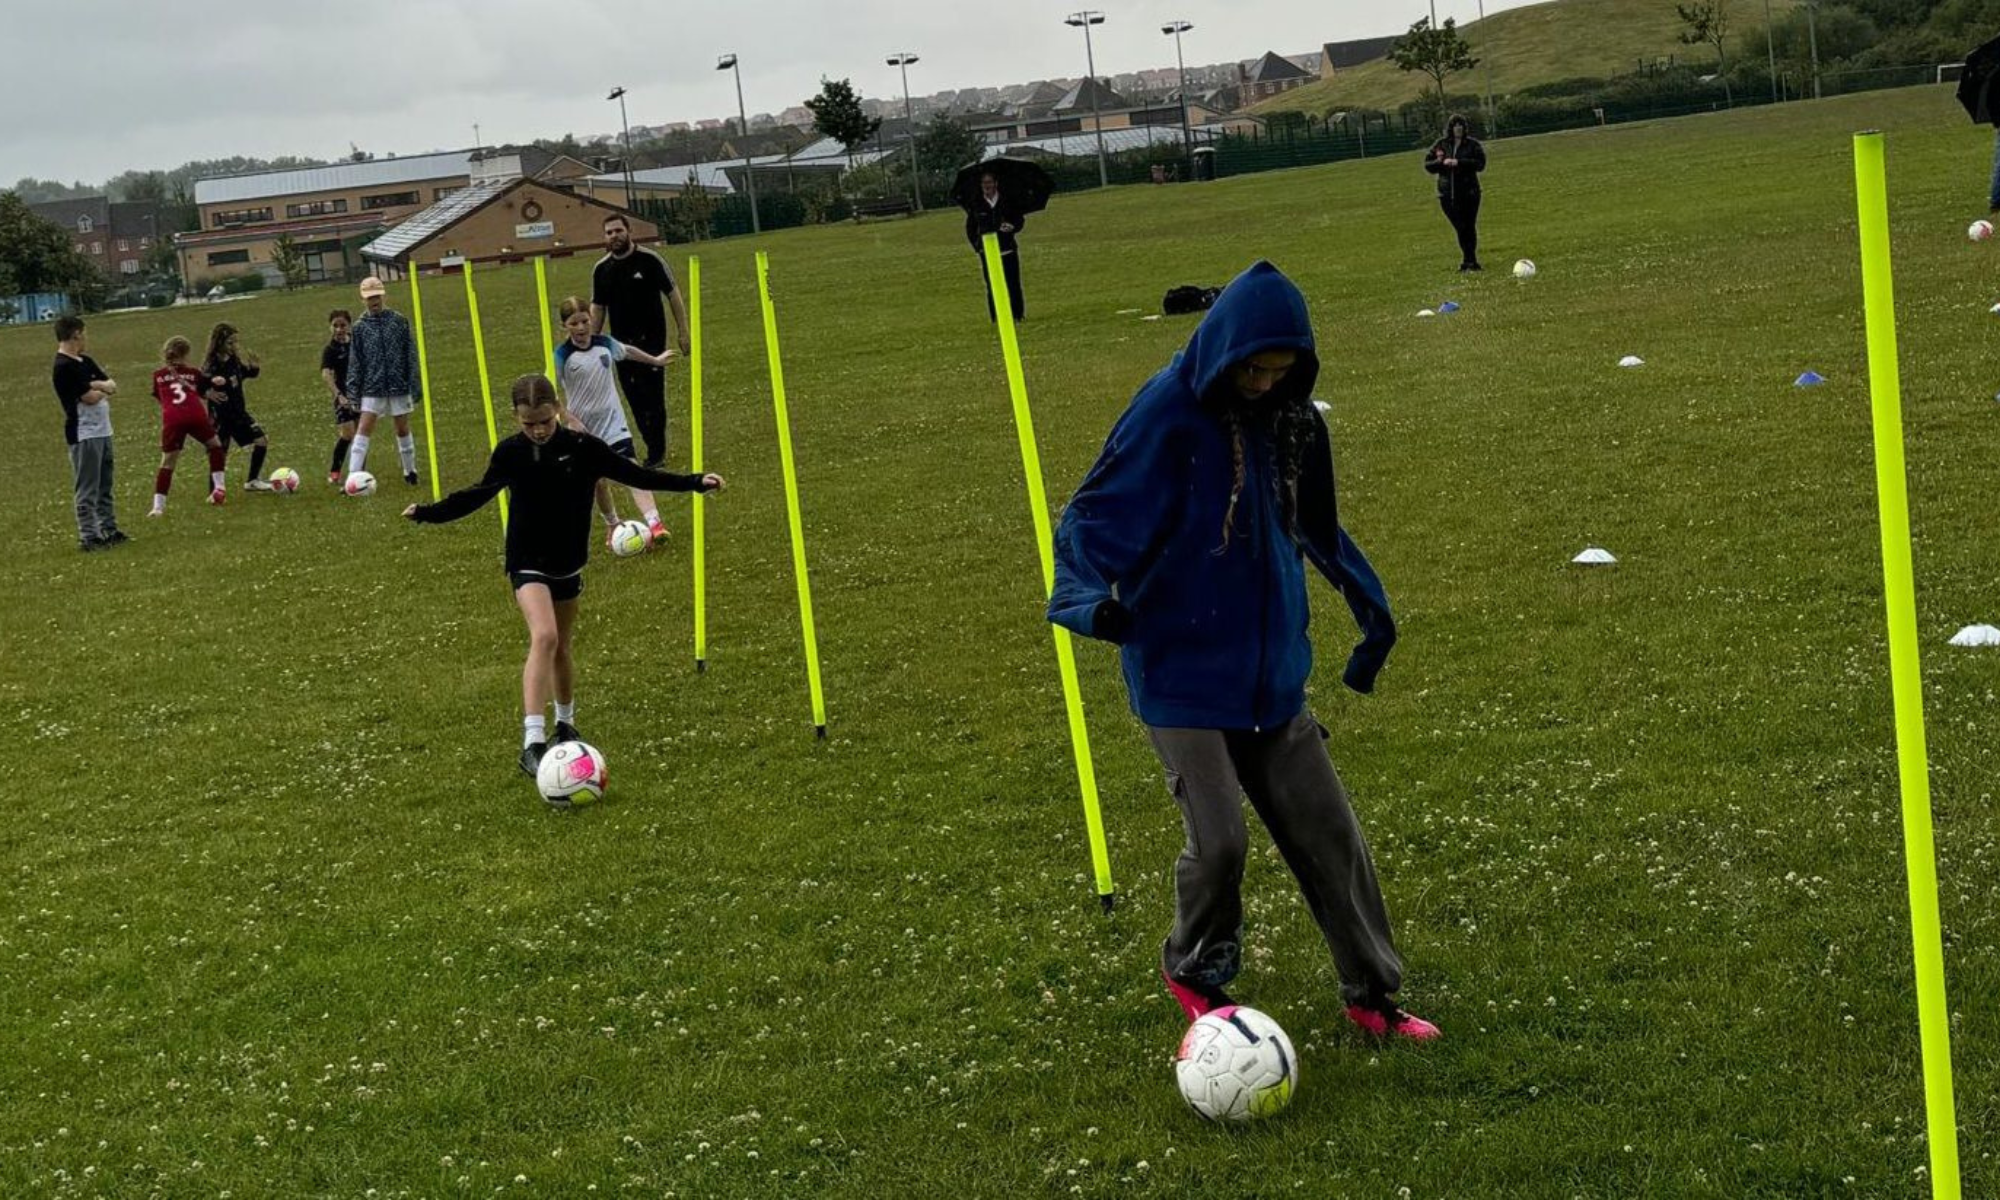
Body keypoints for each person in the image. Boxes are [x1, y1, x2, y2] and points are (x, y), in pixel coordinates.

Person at [1048, 260, 1438, 1041]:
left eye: (1280, 370)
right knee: (1220, 841)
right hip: (1180, 673)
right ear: (1223, 350)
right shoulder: (1167, 412)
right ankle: (1195, 967)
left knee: (1329, 834)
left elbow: (1317, 528)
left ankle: (1371, 994)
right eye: (1252, 369)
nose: (1262, 383)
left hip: (1271, 677)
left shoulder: (1294, 420)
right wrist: (1087, 602)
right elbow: (1093, 517)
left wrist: (1371, 618)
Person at [404, 374, 724, 776]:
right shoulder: (510, 453)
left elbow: (637, 475)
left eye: (544, 421)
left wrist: (695, 483)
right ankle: (532, 742)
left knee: (563, 645)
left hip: (568, 558)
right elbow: (476, 494)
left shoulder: (583, 448)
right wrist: (428, 513)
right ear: (516, 418)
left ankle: (566, 724)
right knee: (545, 635)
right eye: (528, 423)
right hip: (526, 557)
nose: (537, 430)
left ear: (557, 409)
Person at [553, 296, 678, 547]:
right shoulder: (562, 355)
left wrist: (655, 360)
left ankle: (655, 524)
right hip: (583, 430)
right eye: (573, 323)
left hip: (613, 422)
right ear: (564, 326)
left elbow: (627, 351)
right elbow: (550, 396)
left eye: (584, 321)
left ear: (591, 319)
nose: (580, 328)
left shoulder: (604, 343)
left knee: (631, 470)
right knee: (598, 480)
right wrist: (570, 419)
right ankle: (612, 524)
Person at [590, 214, 691, 471]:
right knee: (634, 398)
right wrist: (589, 342)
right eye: (609, 232)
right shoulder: (601, 269)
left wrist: (683, 332)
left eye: (618, 230)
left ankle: (657, 452)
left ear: (629, 231)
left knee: (654, 398)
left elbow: (673, 295)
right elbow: (598, 308)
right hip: (621, 347)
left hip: (653, 342)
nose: (614, 236)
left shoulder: (650, 260)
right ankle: (648, 443)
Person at [51, 315, 125, 551]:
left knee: (105, 484)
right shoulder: (63, 366)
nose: (86, 338)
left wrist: (97, 384)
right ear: (76, 334)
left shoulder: (85, 361)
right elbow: (89, 398)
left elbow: (110, 383)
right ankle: (89, 535)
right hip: (84, 433)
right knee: (87, 486)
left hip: (103, 430)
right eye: (84, 333)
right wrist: (98, 387)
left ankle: (109, 529)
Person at [344, 276, 424, 486]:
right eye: (370, 298)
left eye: (377, 296)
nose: (374, 301)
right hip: (373, 387)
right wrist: (354, 391)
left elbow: (410, 353)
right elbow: (356, 361)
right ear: (363, 300)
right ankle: (353, 478)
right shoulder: (360, 327)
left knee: (402, 427)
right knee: (364, 428)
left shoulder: (398, 321)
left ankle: (410, 471)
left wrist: (414, 383)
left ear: (383, 295)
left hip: (398, 385)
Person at [148, 336, 231, 514]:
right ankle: (219, 487)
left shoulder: (158, 375)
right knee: (215, 445)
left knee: (168, 462)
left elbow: (159, 397)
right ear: (185, 354)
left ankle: (158, 507)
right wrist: (217, 381)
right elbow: (206, 386)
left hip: (173, 419)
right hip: (195, 414)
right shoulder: (193, 373)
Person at [201, 323, 274, 491]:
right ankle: (214, 491)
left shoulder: (233, 360)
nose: (234, 346)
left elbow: (243, 374)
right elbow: (197, 385)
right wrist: (207, 394)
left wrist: (254, 369)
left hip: (239, 414)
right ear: (219, 343)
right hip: (221, 417)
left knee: (261, 441)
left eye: (236, 342)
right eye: (230, 343)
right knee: (219, 453)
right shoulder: (211, 365)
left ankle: (252, 481)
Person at [1425, 114, 1487, 272]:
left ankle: (1470, 261)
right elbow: (1428, 164)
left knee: (1469, 225)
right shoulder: (1441, 145)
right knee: (1460, 226)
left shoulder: (1472, 145)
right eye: (1455, 125)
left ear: (1464, 128)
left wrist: (1459, 162)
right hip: (1447, 194)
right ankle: (1468, 259)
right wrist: (1441, 162)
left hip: (1470, 192)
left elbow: (1480, 164)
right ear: (1450, 128)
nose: (1458, 128)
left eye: (1461, 125)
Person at [964, 170, 1027, 321]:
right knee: (992, 285)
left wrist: (1012, 227)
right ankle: (996, 316)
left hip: (1007, 248)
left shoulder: (1007, 200)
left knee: (1013, 283)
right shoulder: (976, 204)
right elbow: (970, 228)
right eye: (984, 183)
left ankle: (1017, 314)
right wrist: (977, 247)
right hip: (988, 252)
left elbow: (1019, 220)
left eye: (990, 182)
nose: (987, 186)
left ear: (996, 184)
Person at [322, 309, 359, 486]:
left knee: (360, 437)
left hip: (360, 395)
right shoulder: (330, 350)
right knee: (347, 434)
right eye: (335, 326)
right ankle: (335, 470)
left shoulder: (357, 343)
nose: (339, 329)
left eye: (342, 325)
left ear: (349, 325)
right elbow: (326, 374)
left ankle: (359, 473)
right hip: (342, 397)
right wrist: (338, 395)